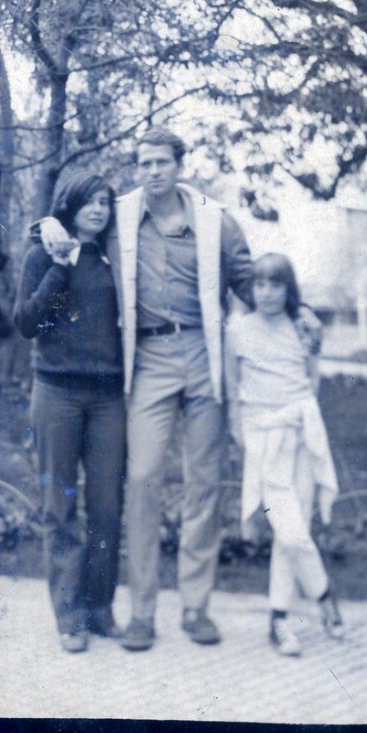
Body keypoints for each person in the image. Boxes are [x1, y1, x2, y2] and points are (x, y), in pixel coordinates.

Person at [105, 126, 253, 651]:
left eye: (162, 162)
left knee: (203, 482)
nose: (153, 172)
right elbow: (75, 227)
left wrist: (296, 307)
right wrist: (47, 229)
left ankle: (196, 607)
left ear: (179, 165)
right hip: (149, 356)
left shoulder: (215, 218)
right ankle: (142, 612)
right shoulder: (120, 216)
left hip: (203, 354)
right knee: (143, 477)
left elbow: (247, 276)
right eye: (144, 163)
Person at [13, 174, 126, 653]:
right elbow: (29, 323)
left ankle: (100, 608)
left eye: (104, 202)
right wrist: (60, 265)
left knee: (106, 508)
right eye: (89, 202)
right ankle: (69, 616)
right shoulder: (42, 253)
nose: (98, 209)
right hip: (56, 393)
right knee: (59, 508)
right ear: (70, 205)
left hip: (108, 399)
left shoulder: (115, 255)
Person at [224, 252, 344, 657]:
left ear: (288, 288)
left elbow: (312, 380)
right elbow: (233, 388)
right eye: (260, 284)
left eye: (275, 284)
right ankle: (324, 594)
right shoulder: (238, 330)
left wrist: (297, 416)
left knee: (293, 535)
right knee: (289, 530)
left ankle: (279, 620)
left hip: (302, 434)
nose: (267, 293)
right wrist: (242, 430)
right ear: (251, 289)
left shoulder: (304, 325)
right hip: (263, 438)